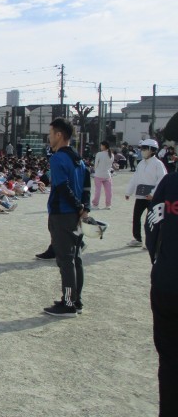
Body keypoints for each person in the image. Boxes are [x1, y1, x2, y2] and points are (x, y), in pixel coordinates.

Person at [145, 111, 178, 416]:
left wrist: (160, 262)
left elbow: (152, 226)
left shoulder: (169, 182)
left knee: (169, 361)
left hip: (168, 282)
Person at [43, 118, 90, 317]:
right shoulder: (78, 159)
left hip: (62, 213)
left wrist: (78, 206)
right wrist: (84, 208)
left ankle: (68, 304)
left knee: (65, 260)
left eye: (51, 133)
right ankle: (76, 300)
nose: (49, 137)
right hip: (76, 215)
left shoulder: (57, 158)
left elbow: (62, 187)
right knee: (76, 257)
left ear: (59, 135)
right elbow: (86, 186)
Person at [125, 138, 166, 247]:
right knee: (136, 218)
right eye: (141, 148)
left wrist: (153, 194)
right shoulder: (141, 164)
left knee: (151, 220)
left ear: (152, 150)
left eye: (144, 148)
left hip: (152, 198)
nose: (142, 151)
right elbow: (135, 178)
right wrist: (128, 192)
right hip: (140, 196)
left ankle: (151, 242)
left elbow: (162, 180)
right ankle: (137, 239)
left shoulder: (158, 164)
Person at [92, 141, 114, 210]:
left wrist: (95, 171)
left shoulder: (99, 154)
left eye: (101, 145)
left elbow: (96, 164)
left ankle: (95, 205)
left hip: (98, 174)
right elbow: (110, 165)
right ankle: (108, 205)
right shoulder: (111, 155)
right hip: (107, 175)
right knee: (108, 191)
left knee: (98, 190)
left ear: (104, 146)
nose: (100, 147)